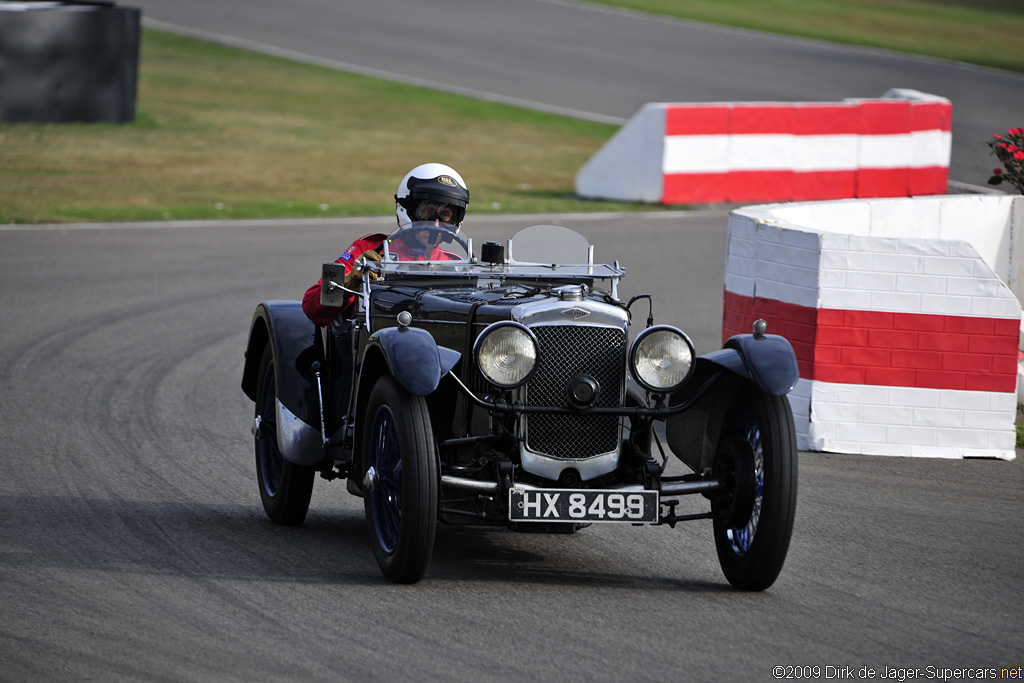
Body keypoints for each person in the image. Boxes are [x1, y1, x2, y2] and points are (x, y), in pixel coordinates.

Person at [302, 163, 470, 326]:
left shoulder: (456, 264)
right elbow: (311, 309)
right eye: (428, 211)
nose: (435, 224)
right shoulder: (369, 249)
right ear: (407, 208)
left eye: (445, 215)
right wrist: (349, 282)